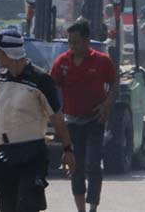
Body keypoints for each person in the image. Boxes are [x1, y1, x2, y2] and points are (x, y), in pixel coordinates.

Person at [0, 30, 75, 212]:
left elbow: (57, 117)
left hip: (32, 153)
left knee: (27, 206)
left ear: (7, 53)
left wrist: (67, 149)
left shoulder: (40, 80)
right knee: (8, 207)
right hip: (3, 153)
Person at [50, 19, 117, 212]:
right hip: (71, 122)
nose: (72, 46)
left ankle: (93, 207)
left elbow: (114, 85)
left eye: (76, 42)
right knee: (75, 166)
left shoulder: (102, 61)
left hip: (95, 120)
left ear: (87, 41)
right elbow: (50, 87)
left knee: (94, 165)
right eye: (70, 42)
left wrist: (107, 103)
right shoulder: (62, 62)